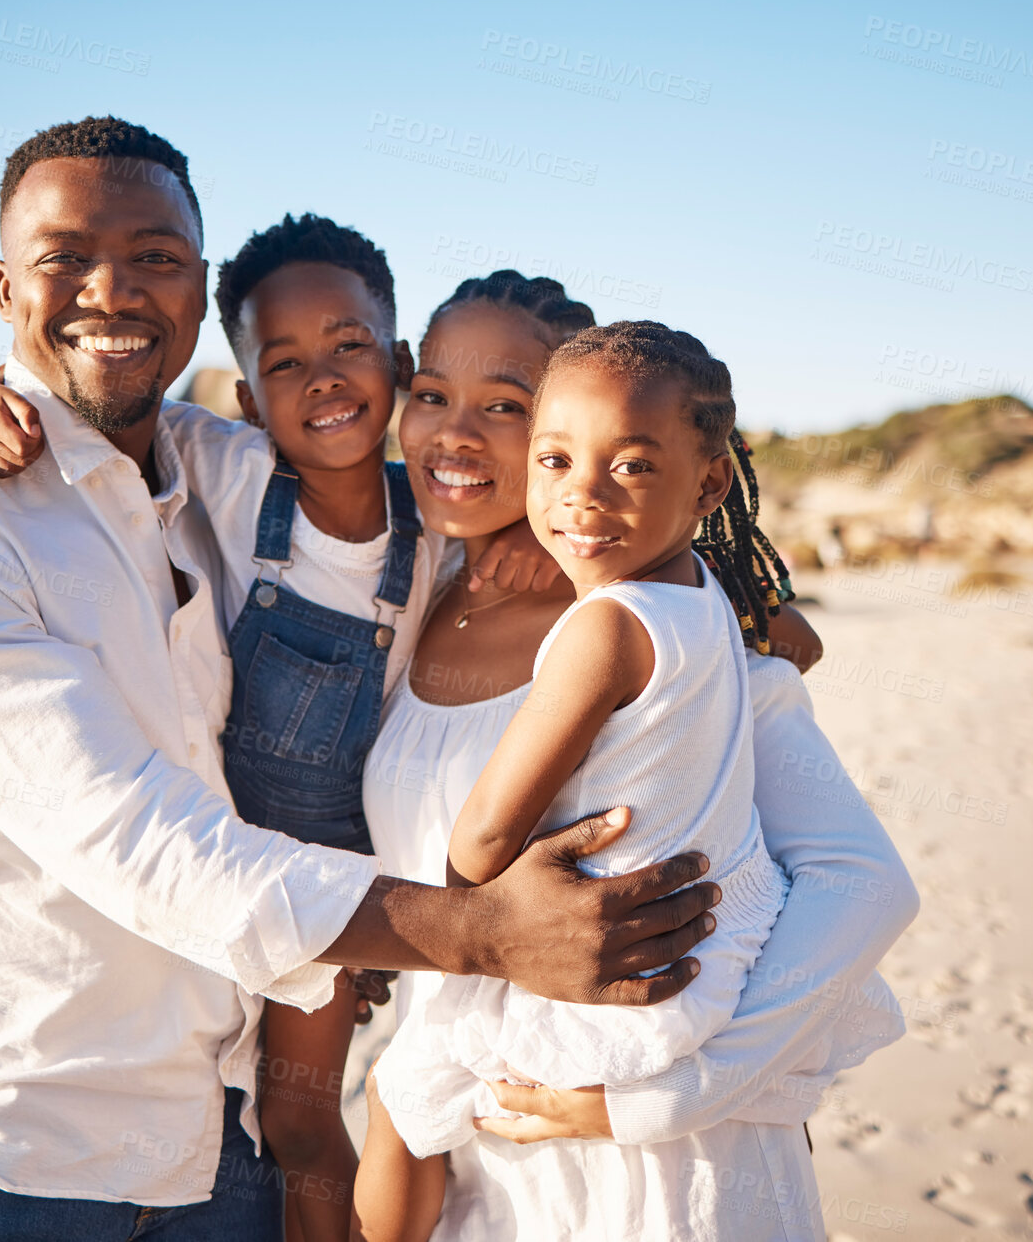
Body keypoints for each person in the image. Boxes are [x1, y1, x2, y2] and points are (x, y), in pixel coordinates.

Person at [0, 117, 719, 1242]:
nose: (111, 289)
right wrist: (473, 928)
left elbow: (557, 478)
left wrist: (725, 595)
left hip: (223, 1140)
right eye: (65, 257)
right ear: (6, 285)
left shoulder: (214, 465)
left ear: (194, 287)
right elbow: (140, 839)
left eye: (153, 256)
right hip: (13, 1155)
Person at [0, 211, 555, 1242]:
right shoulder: (229, 474)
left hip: (378, 870)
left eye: (349, 347)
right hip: (253, 862)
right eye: (284, 363)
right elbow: (89, 404)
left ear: (402, 360)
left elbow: (592, 522)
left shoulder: (452, 516)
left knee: (330, 1104)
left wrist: (725, 598)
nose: (322, 379)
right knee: (283, 1108)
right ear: (245, 398)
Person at [356, 278, 917, 1240]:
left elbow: (862, 886)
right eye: (431, 394)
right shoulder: (408, 597)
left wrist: (689, 1091)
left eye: (504, 403)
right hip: (486, 1146)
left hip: (654, 1162)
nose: (455, 432)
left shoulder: (701, 644)